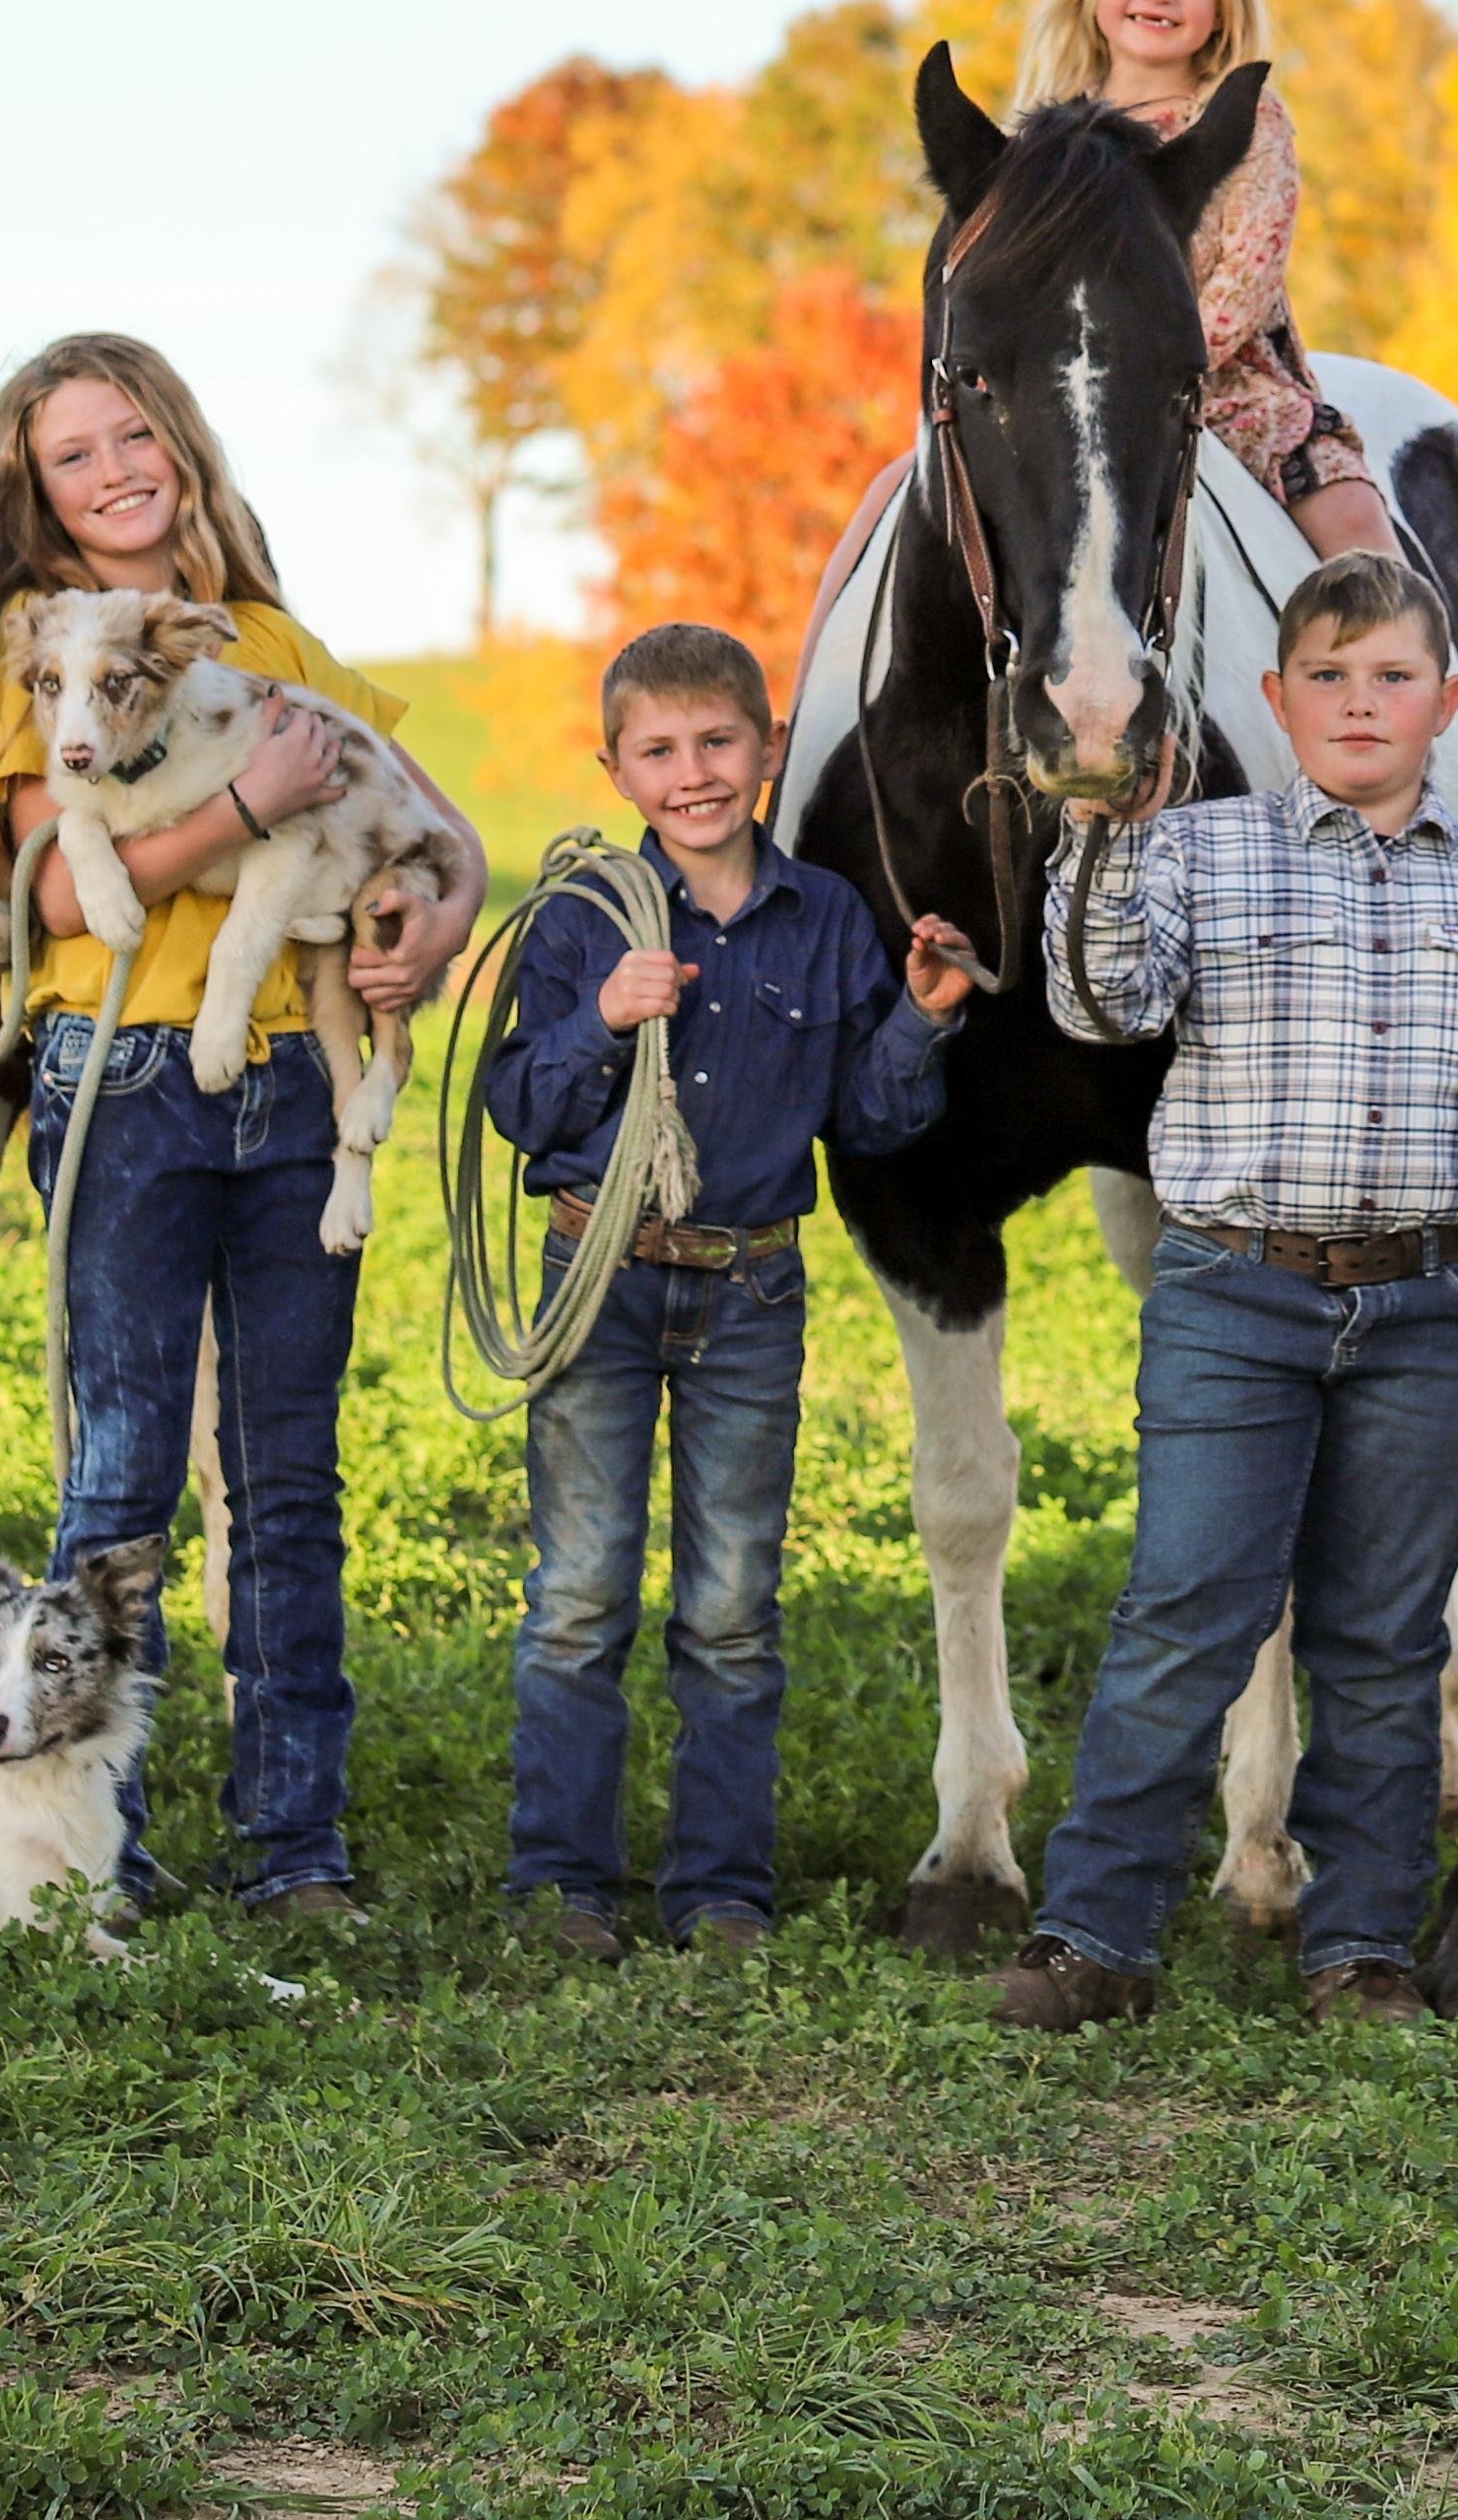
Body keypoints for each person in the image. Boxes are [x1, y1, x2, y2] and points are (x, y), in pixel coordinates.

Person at [987, 555, 1458, 2029]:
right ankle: (1096, 1933)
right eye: (1328, 678)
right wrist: (1100, 835)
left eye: (1391, 676)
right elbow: (1102, 1003)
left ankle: (1360, 1944)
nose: (1359, 703)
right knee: (1187, 1608)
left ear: (1447, 704)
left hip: (1438, 1301)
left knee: (1384, 1634)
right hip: (1238, 1289)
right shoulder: (1197, 852)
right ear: (1278, 702)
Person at [0, 330, 478, 1919]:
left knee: (286, 1480)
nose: (114, 471)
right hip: (126, 1079)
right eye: (73, 455)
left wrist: (436, 924)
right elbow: (63, 891)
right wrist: (246, 806)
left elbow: (444, 829)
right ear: (40, 492)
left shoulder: (269, 641)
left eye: (135, 435)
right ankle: (85, 1853)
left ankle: (295, 1847)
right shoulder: (46, 645)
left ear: (182, 446)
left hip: (288, 1087)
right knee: (121, 1476)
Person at [477, 623, 985, 1961]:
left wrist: (921, 1016)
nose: (692, 771)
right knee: (579, 1593)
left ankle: (718, 1890)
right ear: (616, 769)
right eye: (659, 749)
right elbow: (523, 1105)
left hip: (749, 1289)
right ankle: (564, 1882)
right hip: (599, 1276)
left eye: (718, 741)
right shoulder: (584, 917)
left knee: (731, 1607)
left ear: (769, 750)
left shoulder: (826, 920)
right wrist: (603, 1019)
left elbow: (868, 1122)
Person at [1011, 0, 1399, 563]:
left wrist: (1139, 369)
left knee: (1357, 529)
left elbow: (1244, 282)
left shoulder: (1246, 119)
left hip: (1230, 403)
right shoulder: (1047, 140)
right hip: (1066, 404)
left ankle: (1408, 633)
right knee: (895, 495)